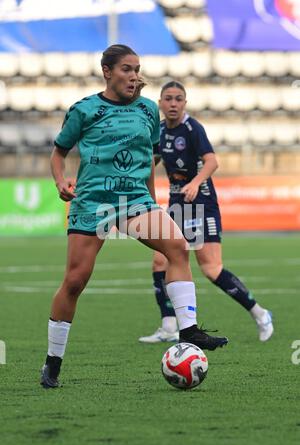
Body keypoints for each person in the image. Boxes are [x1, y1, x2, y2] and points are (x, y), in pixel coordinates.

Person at [40, 46, 228, 389]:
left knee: (176, 245)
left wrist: (154, 204)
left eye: (137, 69)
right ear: (107, 71)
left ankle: (188, 330)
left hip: (135, 201)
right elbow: (58, 153)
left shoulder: (146, 110)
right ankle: (53, 362)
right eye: (127, 69)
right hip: (94, 203)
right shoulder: (84, 110)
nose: (134, 75)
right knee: (75, 281)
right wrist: (60, 182)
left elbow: (147, 163)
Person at [139, 81, 273, 344]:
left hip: (202, 202)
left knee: (211, 268)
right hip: (177, 203)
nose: (173, 104)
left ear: (185, 103)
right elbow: (150, 164)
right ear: (161, 103)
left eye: (178, 99)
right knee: (159, 261)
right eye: (168, 99)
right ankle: (168, 326)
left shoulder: (192, 128)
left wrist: (195, 182)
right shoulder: (160, 131)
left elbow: (212, 161)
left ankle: (260, 313)